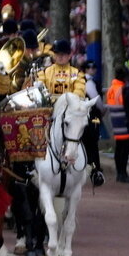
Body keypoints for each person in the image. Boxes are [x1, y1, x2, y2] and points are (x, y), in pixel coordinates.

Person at [36, 39, 104, 186]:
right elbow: (40, 89)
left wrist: (68, 104)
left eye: (64, 54)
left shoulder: (77, 74)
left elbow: (79, 92)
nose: (60, 57)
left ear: (69, 55)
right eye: (57, 54)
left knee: (91, 129)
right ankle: (30, 167)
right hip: (50, 112)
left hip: (71, 112)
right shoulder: (45, 73)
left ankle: (94, 169)